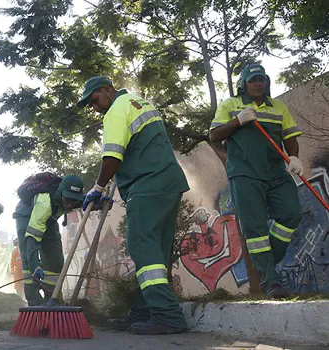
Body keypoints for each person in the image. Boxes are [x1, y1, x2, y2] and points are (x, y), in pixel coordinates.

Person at [77, 76, 190, 335]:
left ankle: (167, 315)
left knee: (142, 249)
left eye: (94, 100)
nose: (94, 107)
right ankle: (144, 310)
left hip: (148, 185)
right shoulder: (139, 103)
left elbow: (113, 155)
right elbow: (138, 148)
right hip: (167, 182)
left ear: (107, 90)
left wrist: (97, 187)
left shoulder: (116, 110)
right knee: (156, 253)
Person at [209, 63, 302, 298]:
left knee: (292, 213)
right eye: (253, 80)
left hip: (276, 173)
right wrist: (237, 121)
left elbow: (289, 136)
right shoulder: (230, 105)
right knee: (256, 229)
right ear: (244, 84)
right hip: (244, 174)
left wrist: (293, 157)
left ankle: (268, 261)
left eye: (262, 79)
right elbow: (214, 135)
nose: (258, 83)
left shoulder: (278, 107)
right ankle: (270, 282)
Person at [13, 174, 85, 306]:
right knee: (28, 260)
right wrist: (35, 265)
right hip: (26, 216)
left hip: (49, 219)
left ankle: (53, 299)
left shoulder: (73, 199)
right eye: (67, 200)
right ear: (60, 192)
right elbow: (32, 237)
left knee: (55, 260)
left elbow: (85, 202)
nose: (69, 204)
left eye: (73, 201)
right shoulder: (44, 203)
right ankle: (35, 304)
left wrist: (99, 202)